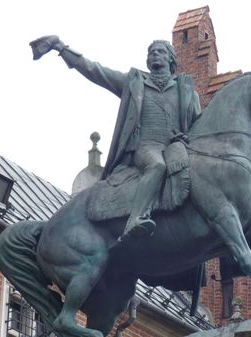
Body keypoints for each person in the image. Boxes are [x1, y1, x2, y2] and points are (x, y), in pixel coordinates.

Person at [30, 35, 201, 241]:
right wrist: (61, 48)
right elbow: (96, 71)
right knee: (157, 166)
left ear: (171, 59)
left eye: (161, 51)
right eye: (151, 52)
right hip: (147, 147)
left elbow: (197, 127)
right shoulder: (135, 83)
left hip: (174, 148)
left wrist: (186, 137)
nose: (155, 54)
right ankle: (135, 219)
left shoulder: (186, 91)